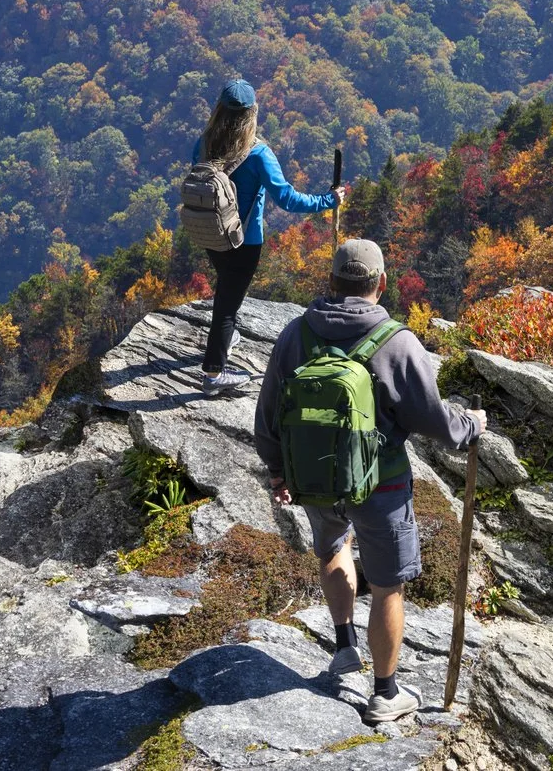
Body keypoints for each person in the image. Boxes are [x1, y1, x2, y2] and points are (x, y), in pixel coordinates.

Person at [253, 238, 486, 726]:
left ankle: (344, 647)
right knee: (387, 588)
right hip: (381, 486)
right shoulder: (397, 342)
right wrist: (472, 425)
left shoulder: (297, 335)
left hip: (314, 478)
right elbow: (434, 421)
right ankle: (385, 693)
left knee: (333, 548)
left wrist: (279, 471)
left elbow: (269, 414)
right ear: (380, 284)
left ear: (331, 282)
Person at [192, 79, 343, 393]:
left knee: (227, 289)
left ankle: (227, 337)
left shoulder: (203, 143)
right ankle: (213, 374)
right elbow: (287, 199)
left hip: (210, 233)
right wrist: (328, 200)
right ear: (252, 114)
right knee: (227, 307)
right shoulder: (258, 154)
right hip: (244, 242)